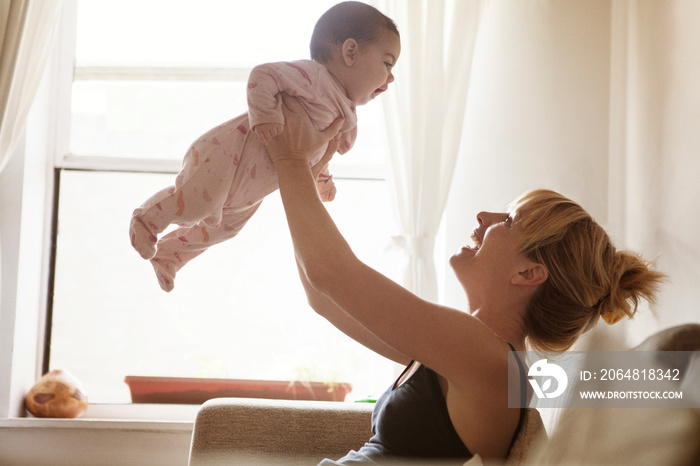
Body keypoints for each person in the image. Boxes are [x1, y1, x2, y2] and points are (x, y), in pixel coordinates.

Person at [264, 95, 667, 464]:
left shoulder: (483, 356)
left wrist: (291, 161)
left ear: (528, 273)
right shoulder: (471, 351)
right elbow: (323, 296)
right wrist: (302, 175)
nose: (483, 218)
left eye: (508, 220)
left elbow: (330, 273)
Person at [128, 1, 401, 292]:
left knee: (225, 229)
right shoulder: (314, 77)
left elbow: (316, 150)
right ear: (350, 52)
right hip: (229, 154)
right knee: (196, 205)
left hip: (252, 188)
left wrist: (322, 177)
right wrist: (266, 117)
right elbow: (263, 75)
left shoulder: (344, 113)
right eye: (387, 63)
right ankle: (146, 221)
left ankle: (170, 255)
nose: (391, 77)